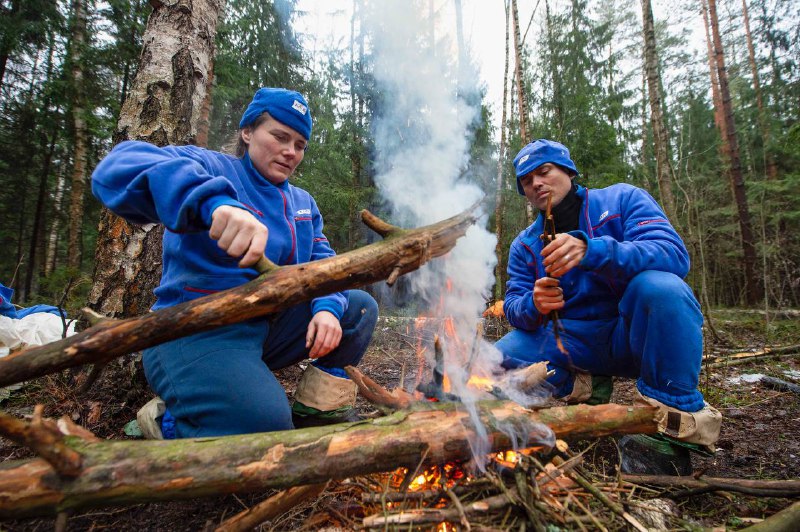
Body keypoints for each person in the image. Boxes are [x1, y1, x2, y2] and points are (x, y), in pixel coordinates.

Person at [91, 88, 378, 438]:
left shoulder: (302, 202)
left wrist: (328, 309)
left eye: (300, 144)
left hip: (266, 330)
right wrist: (213, 204)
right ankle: (167, 421)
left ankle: (315, 411)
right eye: (279, 136)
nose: (290, 151)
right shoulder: (211, 169)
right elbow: (115, 169)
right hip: (195, 331)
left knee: (358, 308)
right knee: (264, 428)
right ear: (247, 132)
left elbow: (323, 262)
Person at [496, 139, 721, 474]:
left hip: (631, 335)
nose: (536, 183)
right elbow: (514, 305)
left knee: (661, 289)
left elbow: (672, 255)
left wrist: (593, 250)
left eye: (544, 172)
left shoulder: (620, 200)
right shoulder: (525, 244)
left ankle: (669, 431)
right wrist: (534, 303)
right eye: (526, 181)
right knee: (494, 363)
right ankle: (583, 384)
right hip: (571, 342)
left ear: (568, 171)